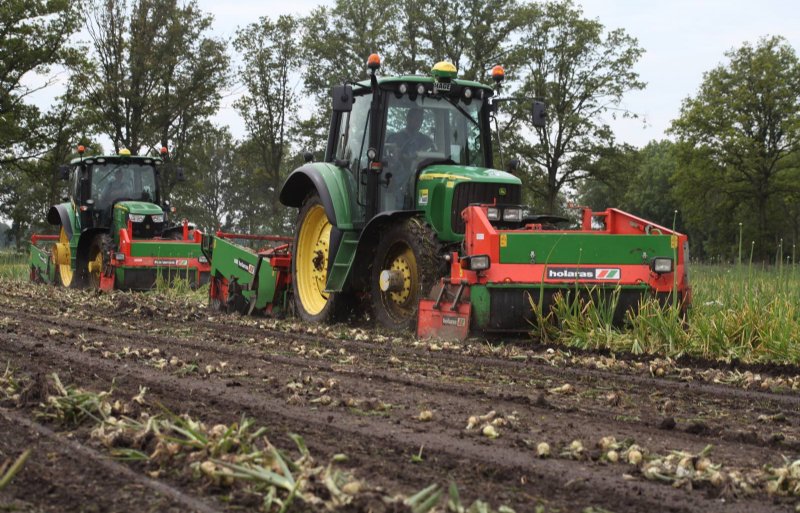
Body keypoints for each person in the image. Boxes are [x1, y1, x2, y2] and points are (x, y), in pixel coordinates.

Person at [384, 107, 434, 209]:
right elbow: (387, 161)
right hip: (398, 179)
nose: (418, 123)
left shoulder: (426, 141)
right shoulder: (394, 138)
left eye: (420, 120)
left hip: (421, 179)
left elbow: (434, 157)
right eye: (415, 119)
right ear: (408, 119)